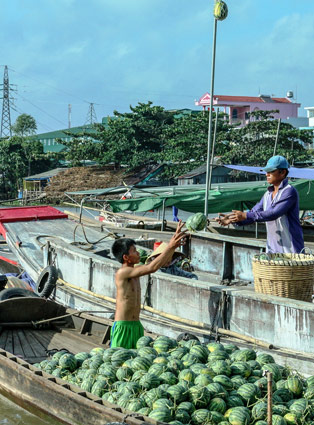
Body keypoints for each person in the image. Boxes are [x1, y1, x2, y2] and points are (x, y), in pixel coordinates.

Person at [110, 220, 187, 349]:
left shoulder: (135, 269)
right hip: (123, 326)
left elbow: (159, 263)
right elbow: (152, 267)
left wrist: (173, 244)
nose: (138, 253)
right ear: (126, 257)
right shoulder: (123, 272)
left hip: (136, 325)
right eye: (134, 251)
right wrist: (170, 246)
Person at [215, 155, 304, 253]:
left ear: (282, 172)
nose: (267, 174)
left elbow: (273, 213)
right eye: (267, 172)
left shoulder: (289, 191)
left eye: (271, 171)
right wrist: (233, 219)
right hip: (273, 250)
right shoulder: (267, 194)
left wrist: (245, 215)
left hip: (292, 250)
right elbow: (254, 213)